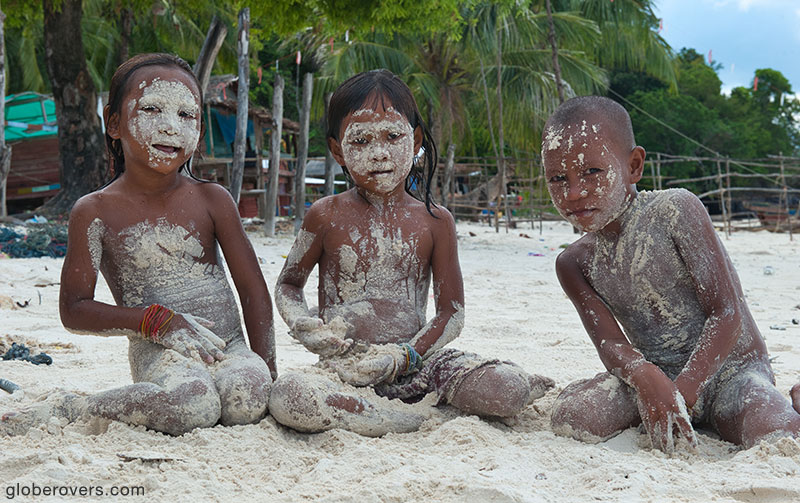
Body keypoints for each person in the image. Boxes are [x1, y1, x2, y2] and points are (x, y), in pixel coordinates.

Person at [1, 53, 275, 436]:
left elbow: (253, 291)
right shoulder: (95, 211)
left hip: (229, 346)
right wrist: (153, 321)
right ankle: (77, 406)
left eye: (186, 115)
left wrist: (267, 368)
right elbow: (74, 309)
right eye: (152, 109)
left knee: (249, 399)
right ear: (113, 122)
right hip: (162, 355)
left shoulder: (213, 199)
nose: (170, 127)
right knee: (192, 404)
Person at [268, 69, 553, 437]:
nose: (379, 153)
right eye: (362, 141)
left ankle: (383, 413)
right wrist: (302, 324)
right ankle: (394, 420)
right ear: (338, 150)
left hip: (419, 364)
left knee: (506, 388)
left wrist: (403, 355)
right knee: (290, 397)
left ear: (415, 140)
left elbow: (451, 313)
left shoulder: (435, 221)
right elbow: (289, 285)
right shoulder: (325, 215)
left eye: (392, 136)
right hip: (345, 367)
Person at [542, 96, 800, 452]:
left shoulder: (675, 211)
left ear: (633, 166)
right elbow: (611, 343)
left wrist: (683, 394)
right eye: (558, 178)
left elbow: (727, 315)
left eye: (592, 172)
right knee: (572, 419)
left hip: (731, 371)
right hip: (658, 376)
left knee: (777, 433)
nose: (574, 192)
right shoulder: (574, 263)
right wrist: (647, 379)